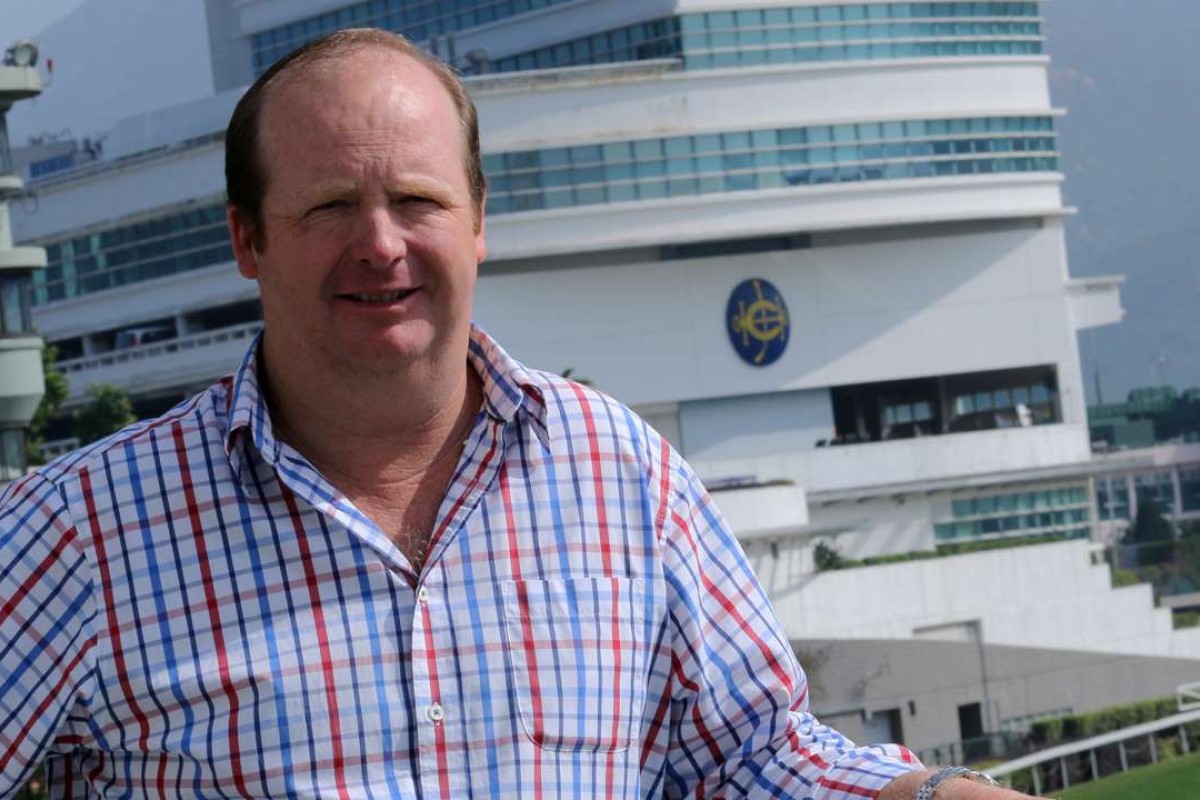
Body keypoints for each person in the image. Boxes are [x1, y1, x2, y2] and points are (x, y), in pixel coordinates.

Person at [0, 29, 1043, 799]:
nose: (381, 243)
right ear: (247, 239)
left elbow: (755, 760)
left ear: (479, 220)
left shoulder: (621, 472)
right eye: (328, 207)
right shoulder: (81, 529)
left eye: (418, 200)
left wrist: (937, 796)